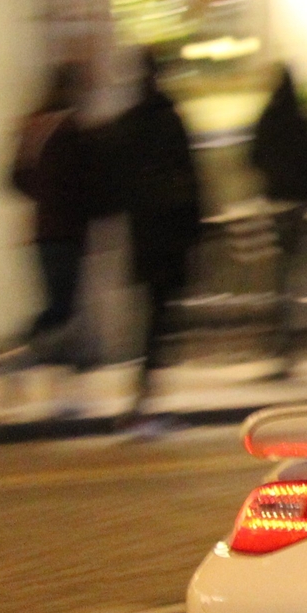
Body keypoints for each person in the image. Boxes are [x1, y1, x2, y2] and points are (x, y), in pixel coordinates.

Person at [99, 51, 204, 429]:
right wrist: (195, 231)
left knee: (146, 317)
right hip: (169, 236)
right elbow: (190, 180)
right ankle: (145, 394)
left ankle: (142, 394)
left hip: (142, 236)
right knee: (161, 321)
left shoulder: (128, 124)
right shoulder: (170, 121)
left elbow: (112, 179)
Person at [0, 61, 98, 378]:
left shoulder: (34, 125)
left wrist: (42, 198)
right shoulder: (69, 129)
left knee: (61, 302)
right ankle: (22, 351)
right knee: (61, 306)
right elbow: (82, 182)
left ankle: (69, 362)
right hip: (67, 230)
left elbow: (14, 177)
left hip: (42, 229)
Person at [249, 64, 307, 376]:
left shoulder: (268, 117)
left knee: (281, 275)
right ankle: (291, 343)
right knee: (295, 273)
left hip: (276, 202)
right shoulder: (302, 120)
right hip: (298, 205)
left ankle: (282, 344)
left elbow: (253, 157)